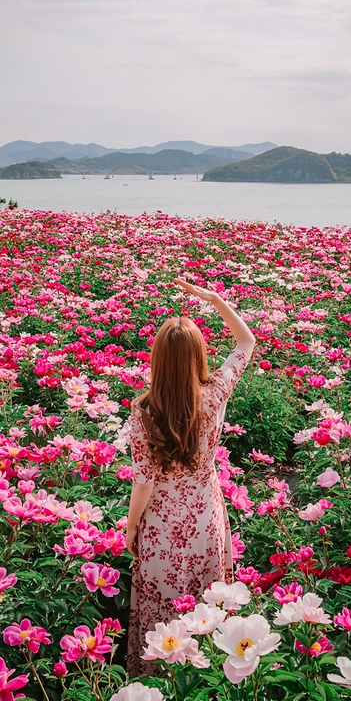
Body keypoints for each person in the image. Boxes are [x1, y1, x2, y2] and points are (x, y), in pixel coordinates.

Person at [126, 278, 255, 676]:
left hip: (162, 525)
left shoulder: (144, 411)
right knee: (204, 605)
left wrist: (132, 527)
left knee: (160, 606)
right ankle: (208, 677)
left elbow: (144, 482)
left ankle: (156, 681)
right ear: (199, 357)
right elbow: (246, 343)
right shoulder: (215, 392)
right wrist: (216, 300)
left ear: (157, 361)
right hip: (204, 518)